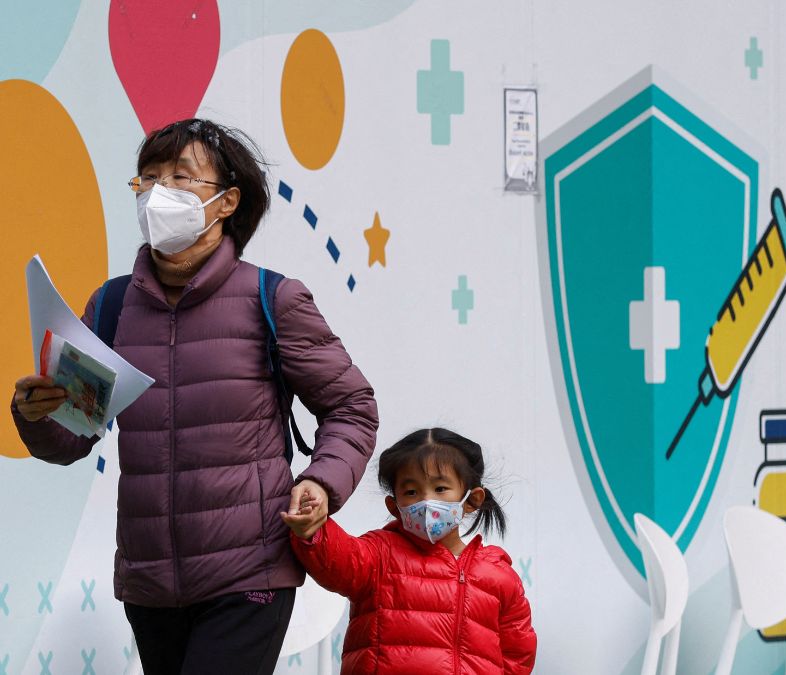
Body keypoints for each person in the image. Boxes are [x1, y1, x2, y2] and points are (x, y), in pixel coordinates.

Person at [11, 119, 379, 675]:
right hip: (150, 583)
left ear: (227, 201)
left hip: (249, 573)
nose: (158, 193)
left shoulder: (272, 298)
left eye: (181, 179)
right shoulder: (112, 306)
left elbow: (352, 407)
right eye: (148, 178)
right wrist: (37, 415)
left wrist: (322, 482)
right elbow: (70, 440)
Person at [287, 428, 537, 674]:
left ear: (472, 500)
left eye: (440, 489)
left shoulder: (500, 576)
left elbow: (517, 657)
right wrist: (312, 527)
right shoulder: (379, 554)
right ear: (394, 506)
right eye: (411, 492)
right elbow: (340, 559)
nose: (426, 501)